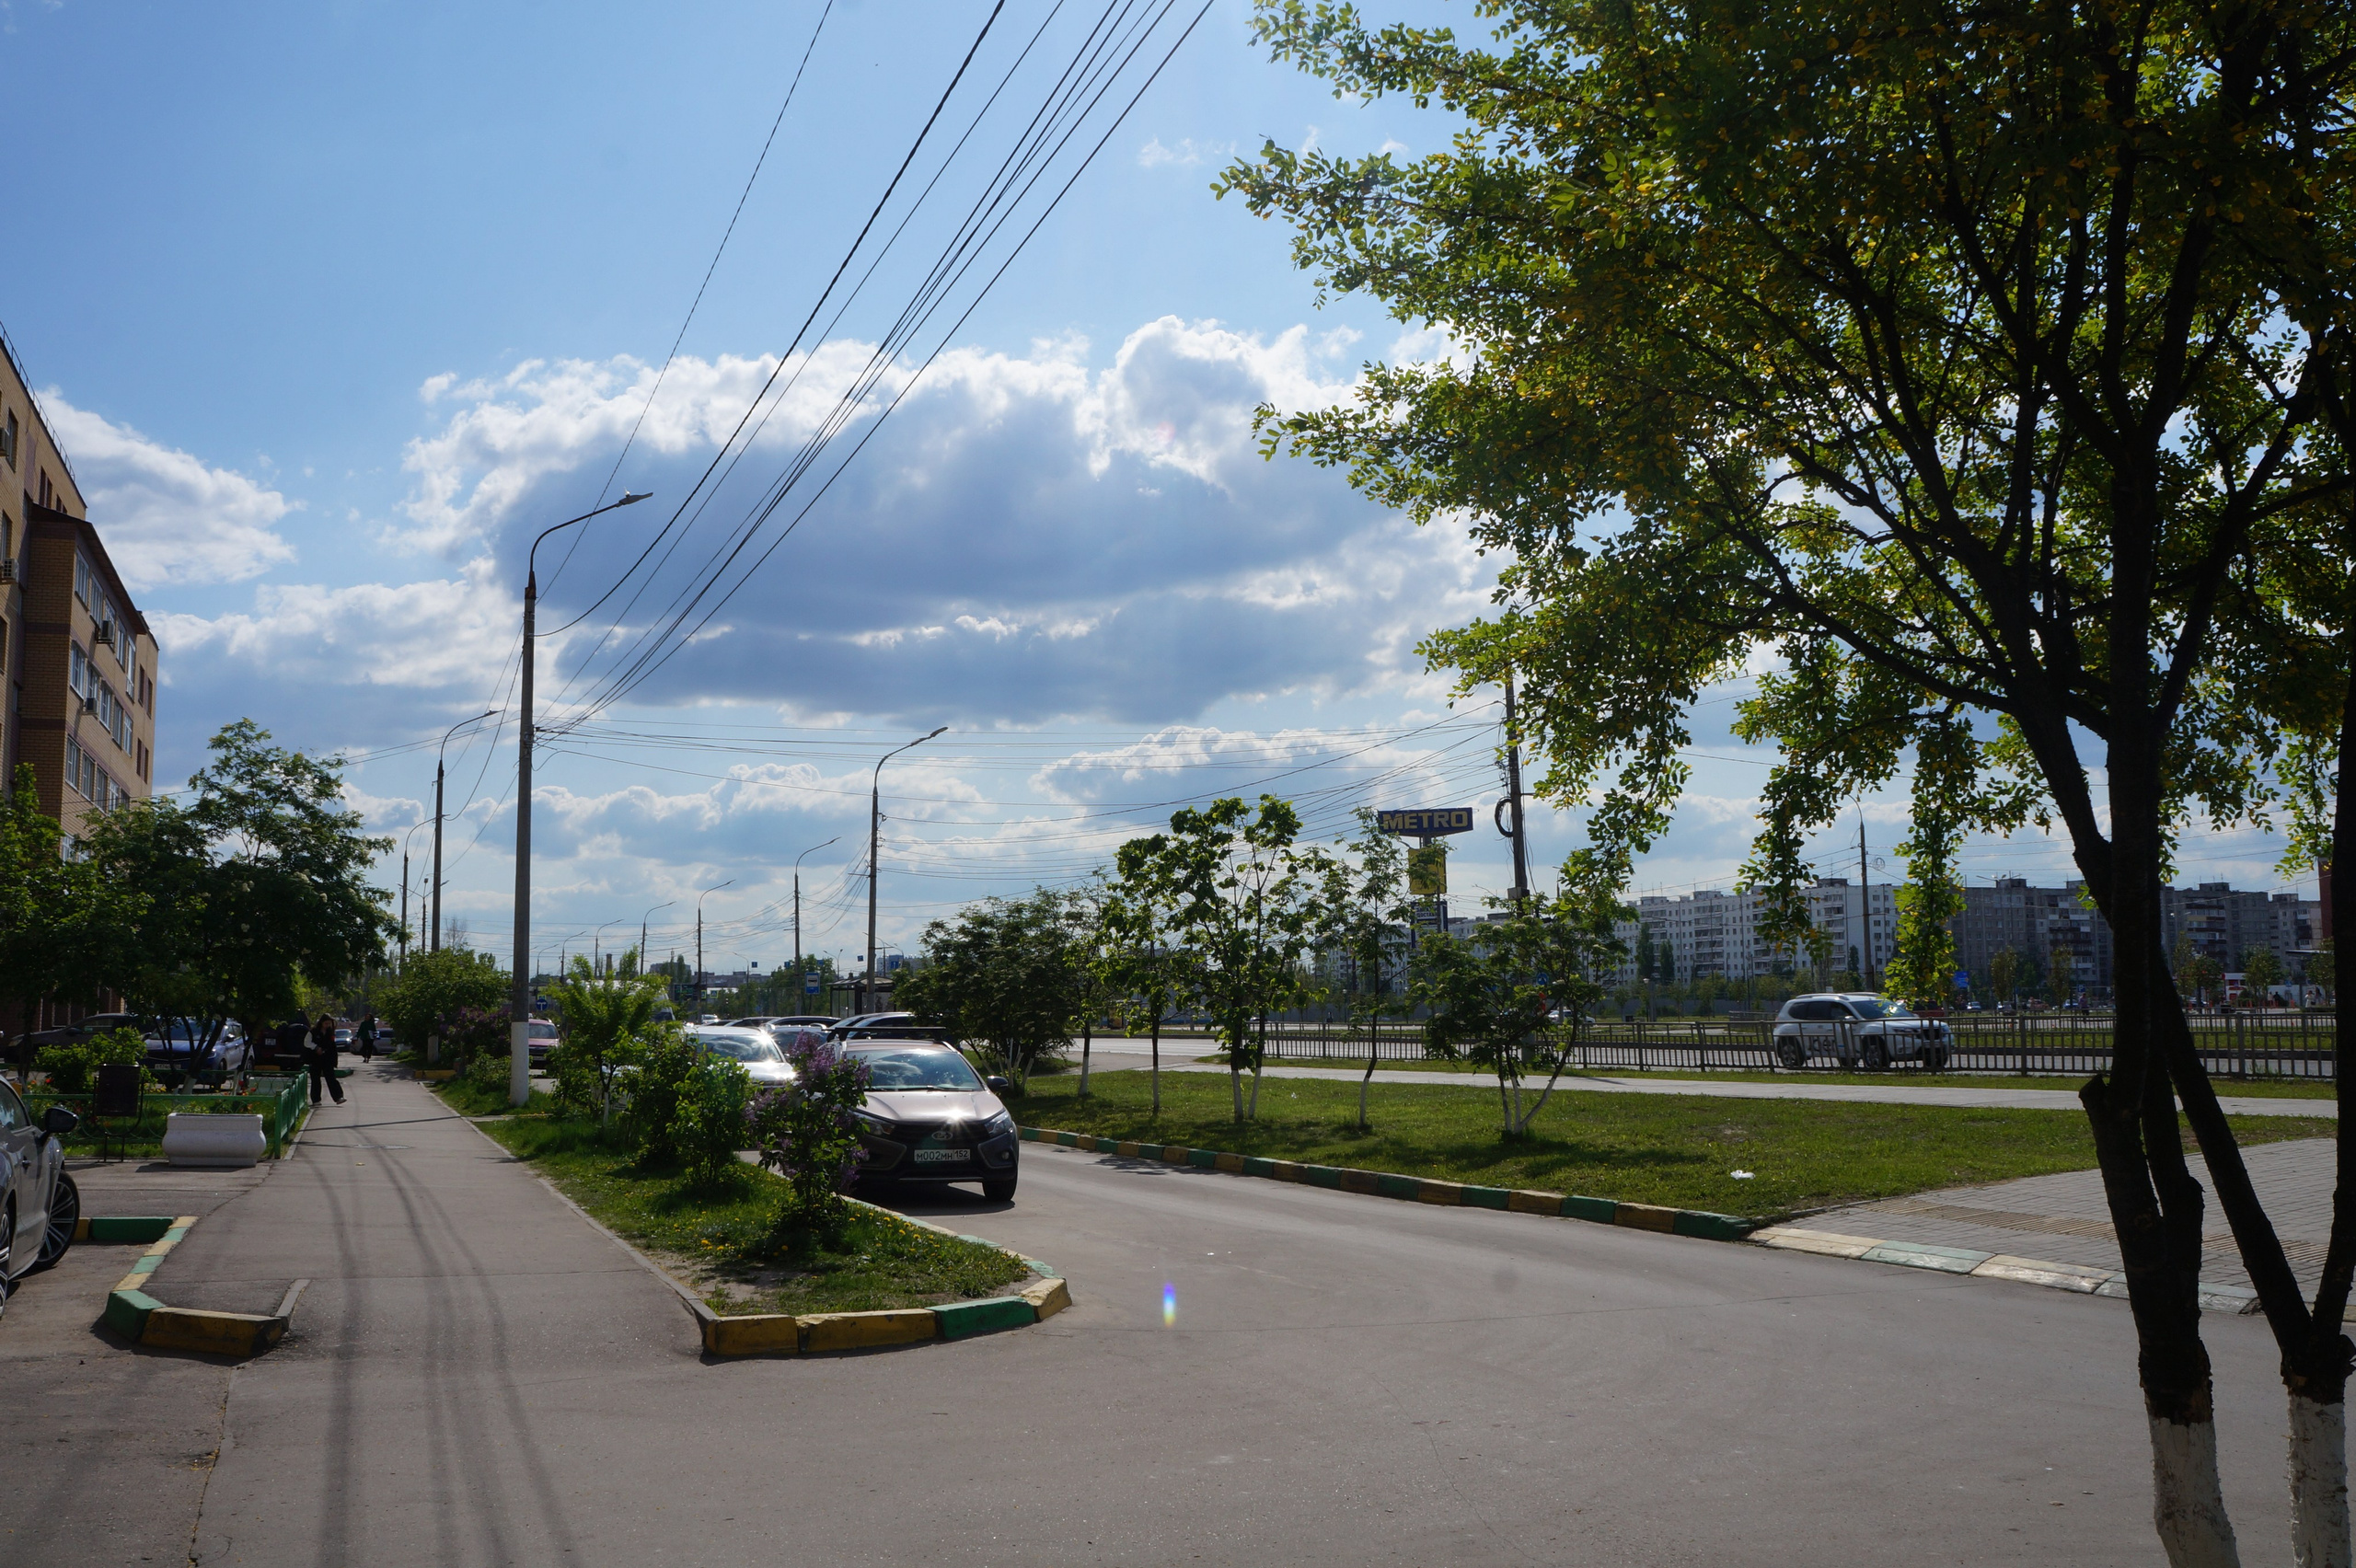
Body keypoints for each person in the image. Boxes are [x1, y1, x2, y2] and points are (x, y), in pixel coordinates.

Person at [306, 1012, 345, 1106]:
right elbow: (306, 1042)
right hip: (315, 1058)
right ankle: (316, 1100)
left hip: (327, 1059)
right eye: (326, 1023)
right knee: (315, 1079)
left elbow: (332, 1046)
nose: (327, 1025)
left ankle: (338, 1097)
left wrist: (333, 1059)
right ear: (321, 1023)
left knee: (331, 1078)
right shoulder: (313, 1032)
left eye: (329, 1023)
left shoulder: (330, 1032)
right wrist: (316, 1048)